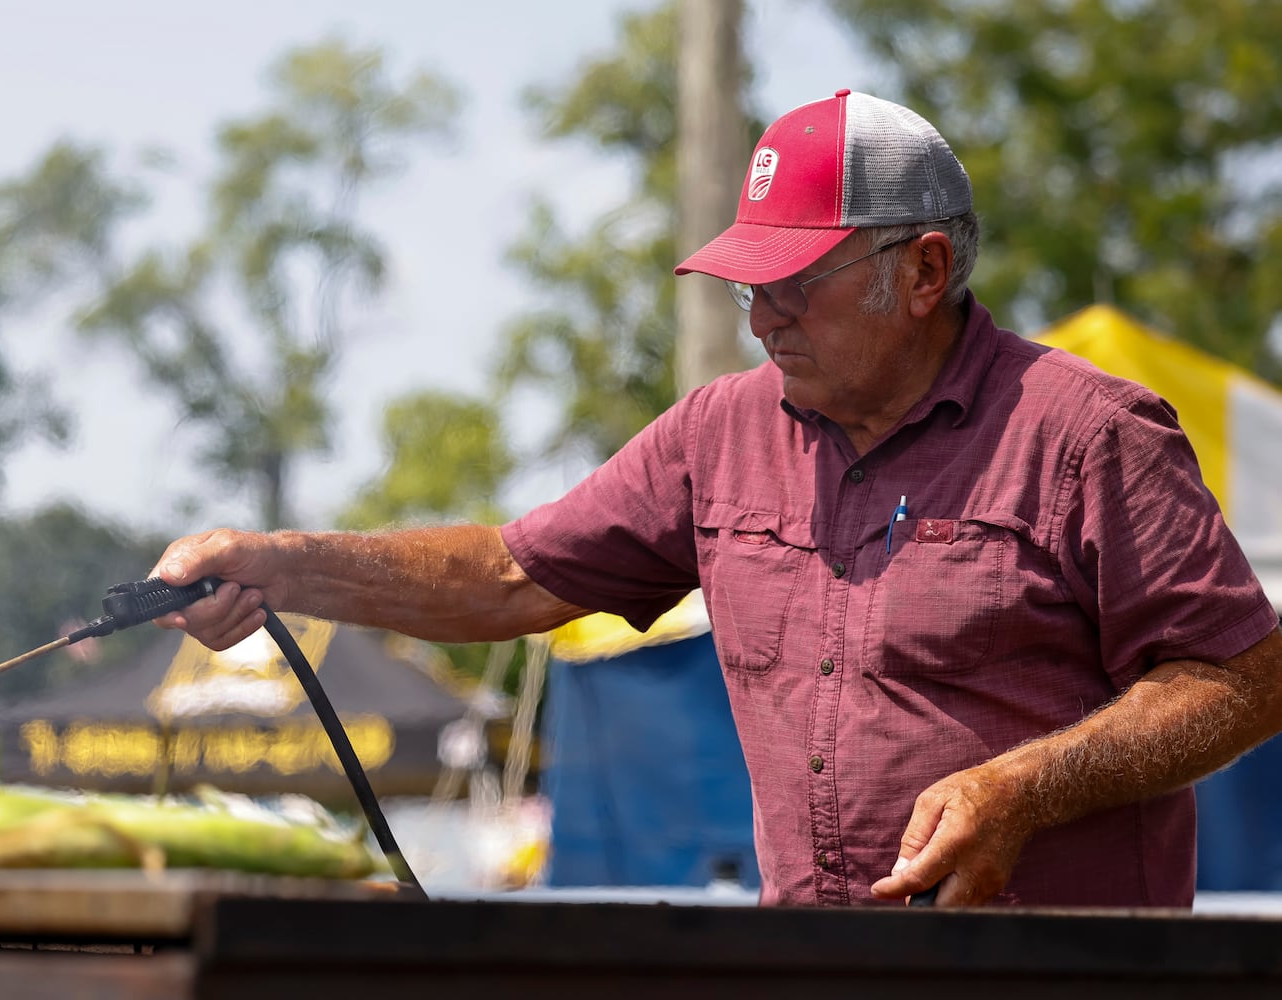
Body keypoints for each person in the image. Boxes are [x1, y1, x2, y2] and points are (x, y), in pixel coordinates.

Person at [148, 89, 1282, 907]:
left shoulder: (1085, 432)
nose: (760, 318)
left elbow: (1243, 677)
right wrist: (282, 564)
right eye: (746, 284)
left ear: (924, 272)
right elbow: (508, 573)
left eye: (792, 282)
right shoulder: (717, 434)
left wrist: (1025, 785)